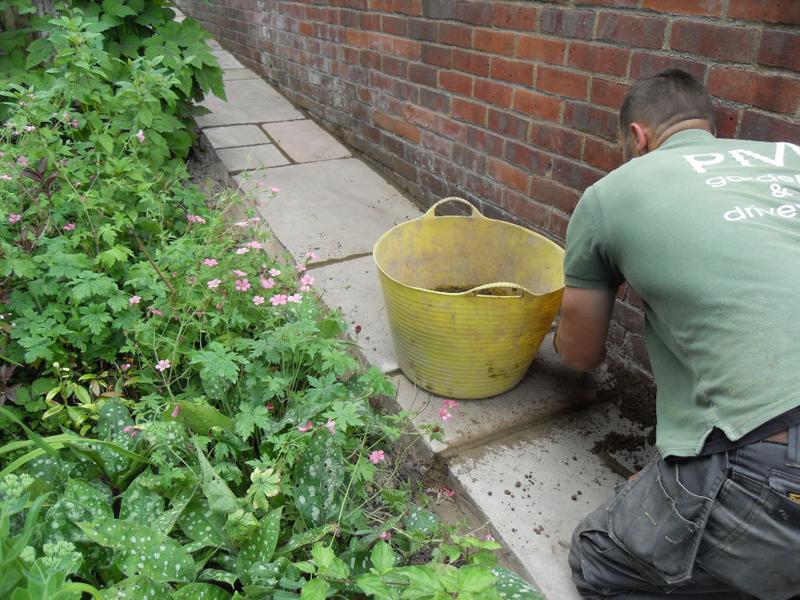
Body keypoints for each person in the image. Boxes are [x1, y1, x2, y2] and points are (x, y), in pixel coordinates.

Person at [554, 68, 800, 600]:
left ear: (638, 137)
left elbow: (580, 353)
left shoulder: (612, 192)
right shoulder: (791, 159)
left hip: (775, 471)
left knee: (600, 558)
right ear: (715, 125)